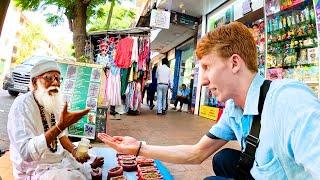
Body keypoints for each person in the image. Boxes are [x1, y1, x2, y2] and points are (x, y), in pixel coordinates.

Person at [98, 21, 320, 179]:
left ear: (234, 63)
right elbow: (196, 153)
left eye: (207, 67)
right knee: (221, 159)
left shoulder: (290, 101)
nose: (202, 81)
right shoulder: (234, 108)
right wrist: (139, 148)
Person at [7, 59, 104, 179]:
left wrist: (74, 151)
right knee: (71, 178)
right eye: (49, 78)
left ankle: (83, 166)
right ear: (34, 82)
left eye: (58, 79)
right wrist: (59, 127)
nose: (55, 83)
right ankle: (82, 169)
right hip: (34, 168)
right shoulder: (21, 105)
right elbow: (26, 153)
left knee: (87, 151)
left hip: (55, 157)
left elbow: (61, 136)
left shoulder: (54, 102)